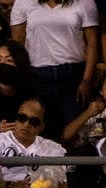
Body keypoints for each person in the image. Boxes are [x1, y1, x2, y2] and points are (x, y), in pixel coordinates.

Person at [10, 0, 100, 136]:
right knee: (39, 131)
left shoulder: (85, 2)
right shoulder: (24, 2)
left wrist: (86, 79)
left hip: (73, 75)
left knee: (74, 132)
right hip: (36, 75)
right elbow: (17, 46)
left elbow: (93, 42)